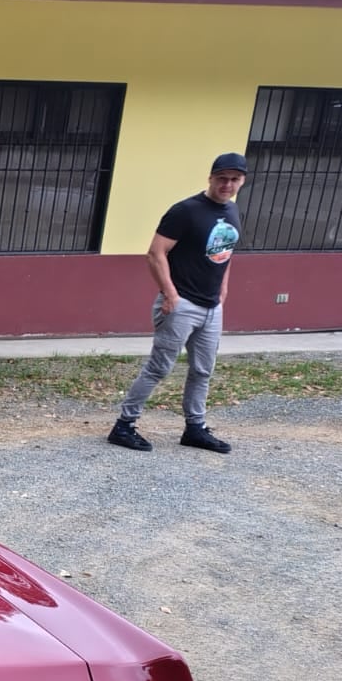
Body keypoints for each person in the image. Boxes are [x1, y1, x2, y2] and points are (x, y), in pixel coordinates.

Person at [108, 152, 247, 454]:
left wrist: (223, 289)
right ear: (210, 178)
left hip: (212, 307)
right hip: (181, 304)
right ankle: (123, 426)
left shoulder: (232, 211)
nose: (227, 184)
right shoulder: (186, 211)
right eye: (222, 178)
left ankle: (195, 429)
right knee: (158, 368)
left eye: (234, 179)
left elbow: (224, 253)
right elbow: (155, 252)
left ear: (242, 181)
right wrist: (170, 294)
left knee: (203, 370)